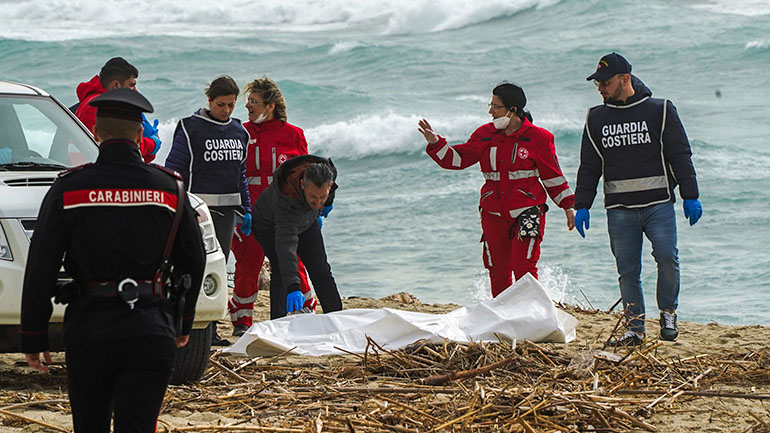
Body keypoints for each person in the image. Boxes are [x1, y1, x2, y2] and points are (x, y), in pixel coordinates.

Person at [20, 88, 206, 432]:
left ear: (95, 132)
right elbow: (194, 261)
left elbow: (41, 265)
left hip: (90, 328)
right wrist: (183, 320)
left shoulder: (69, 189)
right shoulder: (171, 189)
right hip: (151, 326)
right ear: (140, 134)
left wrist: (33, 334)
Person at [574, 52, 703, 346]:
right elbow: (590, 165)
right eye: (597, 83)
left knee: (668, 258)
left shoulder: (661, 110)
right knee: (628, 271)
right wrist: (581, 204)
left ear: (625, 79)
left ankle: (668, 313)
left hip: (659, 203)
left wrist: (690, 195)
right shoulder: (596, 118)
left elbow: (680, 154)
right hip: (619, 210)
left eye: (605, 82)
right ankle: (634, 328)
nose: (600, 87)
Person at [419, 82, 576, 298]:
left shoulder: (539, 138)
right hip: (493, 214)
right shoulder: (484, 134)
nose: (490, 111)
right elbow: (458, 159)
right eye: (490, 104)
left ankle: (532, 315)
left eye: (495, 106)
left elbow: (552, 176)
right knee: (498, 271)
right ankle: (503, 318)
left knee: (524, 268)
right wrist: (436, 143)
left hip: (528, 211)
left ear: (512, 110)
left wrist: (568, 206)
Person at [229, 76, 320, 336]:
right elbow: (231, 172)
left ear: (270, 106)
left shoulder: (293, 135)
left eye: (254, 101)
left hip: (286, 213)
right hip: (249, 212)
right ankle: (241, 321)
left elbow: (308, 175)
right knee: (248, 263)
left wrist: (314, 209)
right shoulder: (240, 132)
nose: (248, 106)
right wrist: (237, 210)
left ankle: (305, 310)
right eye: (248, 101)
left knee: (292, 259)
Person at [165, 75, 250, 345]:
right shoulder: (191, 128)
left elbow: (241, 174)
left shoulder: (240, 132)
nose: (226, 110)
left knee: (218, 269)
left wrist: (246, 209)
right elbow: (175, 168)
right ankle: (186, 326)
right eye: (221, 104)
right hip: (197, 213)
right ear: (209, 100)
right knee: (193, 268)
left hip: (225, 214)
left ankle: (210, 330)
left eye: (231, 105)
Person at [250, 154, 343, 319]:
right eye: (313, 196)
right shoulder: (287, 198)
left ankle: (336, 316)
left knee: (320, 268)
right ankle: (278, 321)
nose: (317, 202)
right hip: (268, 226)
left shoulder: (328, 173)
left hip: (306, 221)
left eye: (322, 196)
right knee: (280, 267)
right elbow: (287, 249)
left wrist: (327, 203)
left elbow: (330, 189)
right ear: (302, 185)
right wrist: (294, 287)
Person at [74, 57, 161, 163]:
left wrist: (147, 146)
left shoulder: (98, 103)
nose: (136, 91)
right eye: (131, 85)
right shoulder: (97, 107)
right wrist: (152, 144)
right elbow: (121, 148)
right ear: (116, 85)